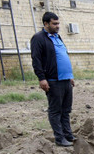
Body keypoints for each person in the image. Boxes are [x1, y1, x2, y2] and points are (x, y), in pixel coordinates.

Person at [30, 11, 74, 146]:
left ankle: (68, 135)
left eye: (58, 23)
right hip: (53, 81)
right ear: (46, 23)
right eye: (54, 24)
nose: (57, 26)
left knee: (66, 110)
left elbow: (63, 56)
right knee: (55, 110)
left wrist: (70, 76)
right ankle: (60, 139)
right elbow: (36, 59)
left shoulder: (57, 37)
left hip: (65, 80)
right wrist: (42, 78)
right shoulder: (39, 38)